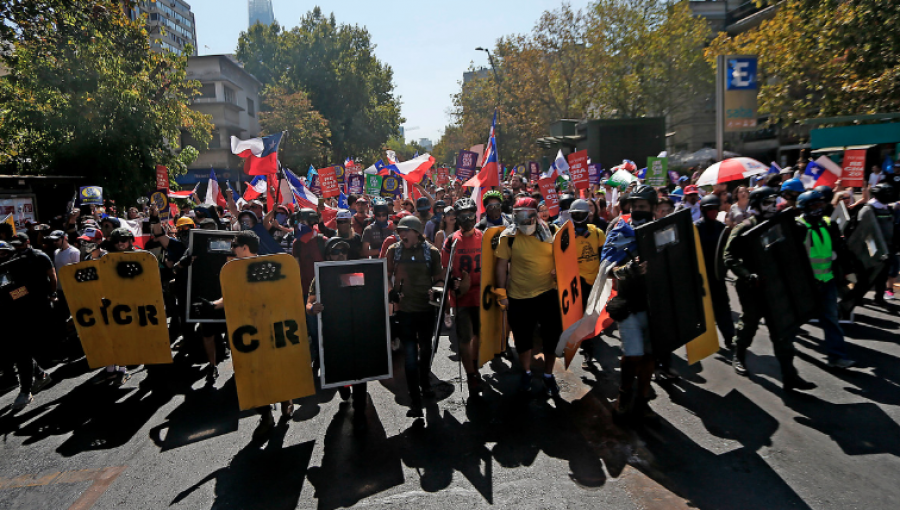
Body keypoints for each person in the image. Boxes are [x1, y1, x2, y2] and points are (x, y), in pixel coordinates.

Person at [196, 231, 294, 439]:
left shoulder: (268, 267)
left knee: (275, 369)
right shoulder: (234, 270)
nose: (231, 248)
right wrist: (212, 305)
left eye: (235, 244)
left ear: (245, 247)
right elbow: (231, 295)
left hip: (269, 328)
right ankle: (265, 415)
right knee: (252, 374)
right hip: (246, 330)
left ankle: (286, 400)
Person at [723, 187, 816, 391]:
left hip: (776, 285)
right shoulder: (745, 228)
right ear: (756, 205)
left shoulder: (779, 223)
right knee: (749, 324)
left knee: (781, 329)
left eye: (774, 202)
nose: (771, 207)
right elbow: (729, 257)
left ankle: (789, 375)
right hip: (752, 287)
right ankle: (739, 355)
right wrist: (747, 274)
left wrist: (796, 226)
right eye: (766, 203)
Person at [495, 197, 562, 396]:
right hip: (519, 296)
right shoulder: (508, 236)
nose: (524, 221)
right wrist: (501, 292)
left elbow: (564, 259)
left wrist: (560, 274)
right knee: (523, 339)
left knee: (551, 338)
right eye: (519, 216)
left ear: (535, 215)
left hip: (547, 294)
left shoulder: (552, 232)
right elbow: (501, 265)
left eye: (528, 216)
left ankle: (548, 375)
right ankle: (526, 372)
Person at [603, 185, 658, 420]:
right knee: (632, 355)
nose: (637, 210)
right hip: (629, 304)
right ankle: (624, 396)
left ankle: (642, 400)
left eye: (643, 207)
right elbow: (606, 270)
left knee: (649, 356)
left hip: (657, 306)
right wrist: (628, 270)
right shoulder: (620, 232)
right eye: (634, 206)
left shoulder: (662, 232)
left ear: (653, 208)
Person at [307, 237, 371, 430]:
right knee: (340, 371)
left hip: (356, 329)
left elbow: (368, 293)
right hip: (333, 331)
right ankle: (343, 388)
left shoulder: (357, 270)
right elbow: (309, 302)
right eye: (336, 252)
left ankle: (360, 409)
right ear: (328, 255)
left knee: (359, 372)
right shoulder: (320, 276)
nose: (341, 255)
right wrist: (312, 308)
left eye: (344, 251)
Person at [385, 216, 444, 417]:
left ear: (417, 232)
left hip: (426, 310)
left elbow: (439, 280)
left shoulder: (432, 252)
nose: (401, 233)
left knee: (426, 348)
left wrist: (436, 292)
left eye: (406, 230)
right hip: (405, 311)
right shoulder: (394, 251)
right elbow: (385, 275)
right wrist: (391, 291)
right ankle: (415, 401)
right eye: (400, 230)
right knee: (410, 355)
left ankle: (425, 382)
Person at [795, 190, 856, 368]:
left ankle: (837, 357)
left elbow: (841, 248)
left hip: (827, 280)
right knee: (794, 319)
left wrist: (848, 271)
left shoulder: (829, 224)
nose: (818, 209)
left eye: (820, 205)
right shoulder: (797, 227)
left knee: (831, 319)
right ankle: (785, 351)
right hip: (805, 285)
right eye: (814, 206)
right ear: (804, 208)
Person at [441, 198, 484, 394]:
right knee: (465, 338)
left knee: (479, 336)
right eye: (463, 216)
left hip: (481, 296)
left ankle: (475, 366)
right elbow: (444, 271)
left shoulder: (483, 237)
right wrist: (452, 283)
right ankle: (470, 374)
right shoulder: (451, 241)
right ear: (456, 218)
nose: (467, 219)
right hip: (461, 298)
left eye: (470, 215)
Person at [568, 199, 607, 369]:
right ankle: (587, 351)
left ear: (588, 215)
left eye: (581, 214)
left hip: (595, 280)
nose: (578, 217)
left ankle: (589, 348)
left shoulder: (597, 232)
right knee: (582, 317)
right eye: (575, 214)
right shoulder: (566, 235)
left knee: (592, 317)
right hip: (578, 282)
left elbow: (605, 254)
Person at [694, 194, 736, 348]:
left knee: (723, 308)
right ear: (704, 210)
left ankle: (730, 338)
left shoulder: (721, 228)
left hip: (717, 276)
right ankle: (702, 341)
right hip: (701, 277)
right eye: (710, 208)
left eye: (715, 208)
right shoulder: (696, 228)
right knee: (702, 311)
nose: (714, 211)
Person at [859, 183, 896, 305]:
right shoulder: (868, 209)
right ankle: (857, 298)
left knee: (882, 276)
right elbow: (863, 231)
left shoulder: (888, 208)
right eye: (887, 194)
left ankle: (879, 298)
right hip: (872, 249)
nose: (889, 196)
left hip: (887, 248)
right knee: (867, 276)